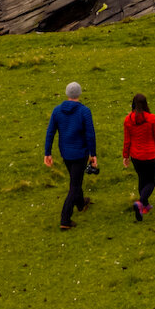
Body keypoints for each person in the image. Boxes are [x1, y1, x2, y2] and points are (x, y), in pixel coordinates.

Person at [43, 81, 98, 230]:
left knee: (75, 179)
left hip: (65, 153)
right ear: (79, 94)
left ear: (67, 94)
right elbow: (90, 135)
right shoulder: (84, 111)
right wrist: (93, 154)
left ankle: (80, 203)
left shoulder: (57, 111)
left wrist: (47, 152)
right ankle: (65, 219)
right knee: (75, 185)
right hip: (80, 153)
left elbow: (50, 132)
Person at [121, 92, 155, 221]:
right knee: (151, 181)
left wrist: (125, 156)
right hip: (149, 155)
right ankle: (141, 203)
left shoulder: (128, 120)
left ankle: (145, 206)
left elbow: (127, 140)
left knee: (142, 178)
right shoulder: (151, 118)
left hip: (136, 156)